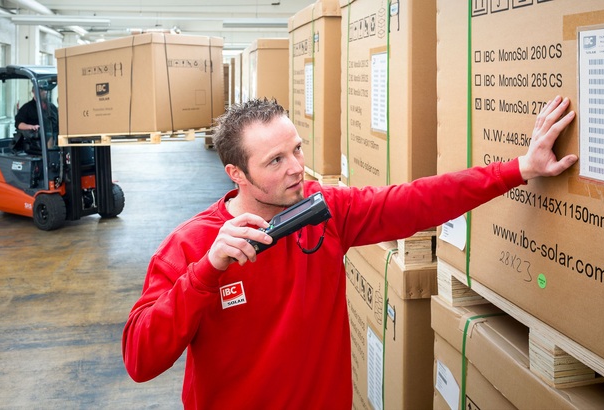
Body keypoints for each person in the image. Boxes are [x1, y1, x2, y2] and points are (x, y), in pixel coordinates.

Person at [122, 96, 577, 408]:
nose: (298, 168)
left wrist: (519, 168)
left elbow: (418, 200)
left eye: (297, 150)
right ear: (235, 174)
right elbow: (141, 359)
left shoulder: (325, 211)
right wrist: (205, 274)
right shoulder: (192, 246)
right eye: (275, 161)